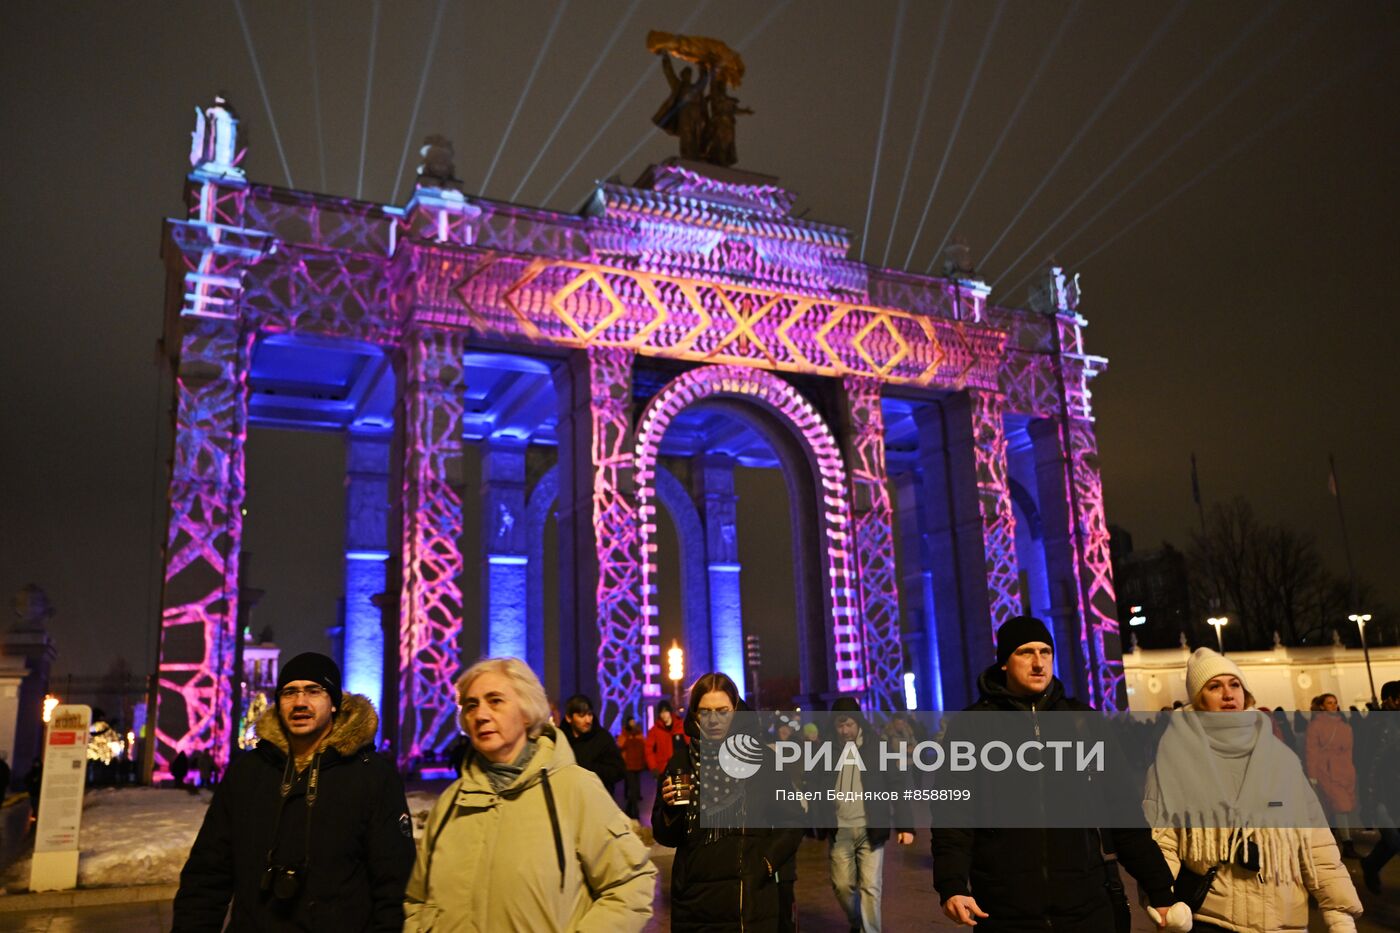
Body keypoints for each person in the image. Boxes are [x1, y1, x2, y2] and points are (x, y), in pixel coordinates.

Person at [931, 615, 1176, 931]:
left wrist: (1160, 888)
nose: (1038, 663)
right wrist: (952, 884)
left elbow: (1123, 811)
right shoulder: (971, 727)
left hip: (1086, 906)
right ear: (1004, 662)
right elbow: (953, 813)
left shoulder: (1085, 723)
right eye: (1025, 652)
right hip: (1006, 911)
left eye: (1046, 652)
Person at [403, 657, 655, 931]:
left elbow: (630, 883)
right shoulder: (451, 802)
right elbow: (418, 900)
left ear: (526, 712)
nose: (481, 714)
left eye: (495, 700)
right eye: (471, 705)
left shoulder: (574, 789)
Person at [173, 652, 414, 931]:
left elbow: (395, 885)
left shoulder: (373, 777)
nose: (300, 702)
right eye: (289, 692)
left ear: (334, 703)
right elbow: (206, 875)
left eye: (314, 691)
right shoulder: (246, 774)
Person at [1144, 648, 1363, 932]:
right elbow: (1162, 844)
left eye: (1235, 684)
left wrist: (1338, 910)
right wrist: (1163, 900)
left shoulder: (1282, 760)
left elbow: (1315, 840)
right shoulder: (1171, 761)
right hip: (1212, 919)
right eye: (1214, 686)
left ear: (1246, 694)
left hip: (1283, 919)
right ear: (1199, 699)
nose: (1228, 694)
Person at [654, 672, 804, 931]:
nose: (714, 720)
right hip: (694, 903)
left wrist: (766, 863)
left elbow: (792, 820)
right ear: (694, 714)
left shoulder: (763, 762)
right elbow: (666, 835)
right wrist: (669, 809)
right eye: (705, 711)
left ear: (735, 710)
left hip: (747, 901)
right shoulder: (681, 763)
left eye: (722, 711)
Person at [815, 697, 913, 932]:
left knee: (871, 886)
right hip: (840, 829)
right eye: (840, 725)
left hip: (872, 827)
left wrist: (905, 826)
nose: (845, 730)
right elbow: (816, 787)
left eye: (849, 724)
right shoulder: (825, 751)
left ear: (858, 723)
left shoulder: (877, 747)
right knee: (842, 885)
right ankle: (856, 920)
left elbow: (897, 785)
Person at [1307, 692, 1359, 858]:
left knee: (1338, 807)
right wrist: (1312, 775)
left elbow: (1349, 751)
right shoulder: (1316, 726)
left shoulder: (1344, 726)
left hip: (1344, 770)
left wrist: (1351, 770)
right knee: (1341, 806)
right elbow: (1311, 751)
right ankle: (1347, 843)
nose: (1333, 706)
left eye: (1335, 703)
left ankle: (1332, 840)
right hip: (1326, 771)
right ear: (1322, 706)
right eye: (1329, 703)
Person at [1360, 679, 1400, 893]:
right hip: (1383, 796)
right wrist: (1370, 801)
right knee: (1394, 841)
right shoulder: (1377, 726)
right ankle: (1370, 865)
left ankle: (1370, 864)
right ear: (1391, 700)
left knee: (1392, 841)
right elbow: (1368, 765)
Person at [562, 693, 626, 801]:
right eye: (582, 716)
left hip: (599, 803)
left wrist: (588, 768)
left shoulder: (603, 738)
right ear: (569, 718)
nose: (588, 720)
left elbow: (619, 770)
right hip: (569, 803)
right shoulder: (560, 739)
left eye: (590, 714)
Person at [645, 699, 685, 777]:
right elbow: (648, 750)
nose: (664, 715)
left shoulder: (680, 726)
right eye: (661, 712)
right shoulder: (654, 730)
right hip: (663, 770)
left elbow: (689, 744)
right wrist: (653, 767)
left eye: (666, 711)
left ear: (670, 712)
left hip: (680, 768)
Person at [617, 715, 647, 820]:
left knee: (634, 789)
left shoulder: (639, 733)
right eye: (631, 722)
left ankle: (628, 810)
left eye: (634, 722)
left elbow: (644, 746)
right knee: (633, 789)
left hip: (638, 764)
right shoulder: (624, 733)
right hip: (628, 765)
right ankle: (635, 812)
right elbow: (620, 745)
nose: (633, 724)